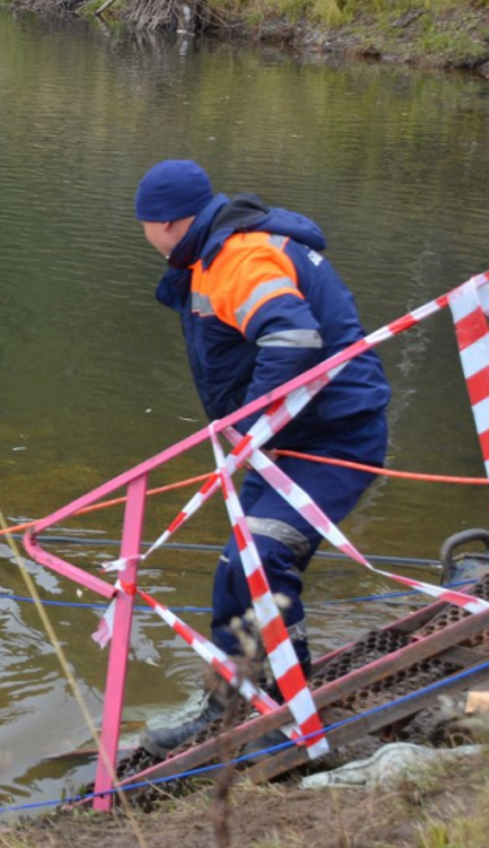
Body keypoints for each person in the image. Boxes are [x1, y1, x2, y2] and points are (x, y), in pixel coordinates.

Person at [132, 160, 391, 756]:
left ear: (165, 222)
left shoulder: (240, 259)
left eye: (145, 225)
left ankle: (283, 711)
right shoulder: (214, 255)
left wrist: (250, 424)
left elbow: (292, 338)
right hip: (289, 443)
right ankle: (228, 700)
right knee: (237, 566)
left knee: (265, 557)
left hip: (331, 440)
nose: (146, 237)